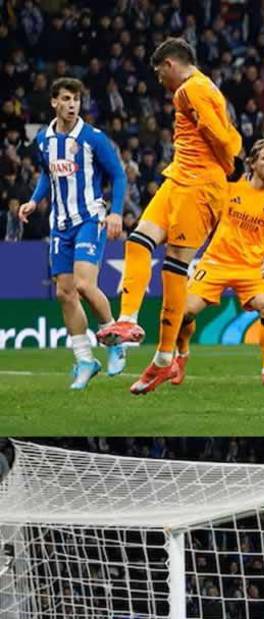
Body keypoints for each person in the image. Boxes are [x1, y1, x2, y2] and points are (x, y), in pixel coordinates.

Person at [97, 38, 242, 392]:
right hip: (177, 179)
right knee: (138, 242)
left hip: (199, 188)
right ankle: (127, 321)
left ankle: (163, 360)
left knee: (174, 272)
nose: (159, 80)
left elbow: (223, 138)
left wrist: (229, 168)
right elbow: (228, 132)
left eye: (159, 72)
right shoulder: (207, 88)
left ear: (170, 64)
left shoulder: (189, 91)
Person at [133, 139, 264, 393]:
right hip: (214, 263)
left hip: (251, 269)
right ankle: (182, 354)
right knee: (183, 312)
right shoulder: (227, 189)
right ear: (252, 163)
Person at [19, 77, 127, 388]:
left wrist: (116, 212)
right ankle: (84, 360)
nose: (72, 105)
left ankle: (114, 338)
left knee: (82, 284)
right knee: (64, 293)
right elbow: (46, 173)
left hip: (89, 219)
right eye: (66, 99)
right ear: (54, 102)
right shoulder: (43, 139)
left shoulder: (93, 138)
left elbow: (118, 175)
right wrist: (33, 200)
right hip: (60, 224)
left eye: (76, 100)